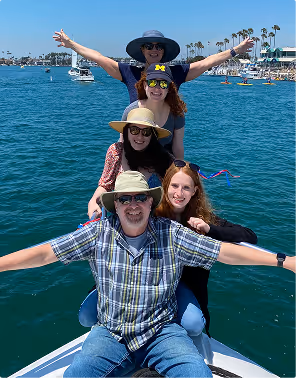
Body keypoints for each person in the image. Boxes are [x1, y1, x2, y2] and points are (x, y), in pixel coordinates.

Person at [1, 171, 295, 378]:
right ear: (114, 204)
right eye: (125, 199)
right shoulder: (96, 234)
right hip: (111, 332)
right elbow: (44, 253)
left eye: (140, 198)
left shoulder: (172, 234)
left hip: (162, 332)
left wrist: (283, 261)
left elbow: (224, 253)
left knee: (197, 373)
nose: (133, 205)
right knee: (76, 374)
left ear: (151, 202)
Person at [155, 160, 257, 336]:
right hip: (155, 284)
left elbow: (250, 236)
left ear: (195, 191)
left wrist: (210, 230)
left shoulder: (203, 219)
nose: (179, 193)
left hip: (187, 287)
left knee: (194, 324)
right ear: (166, 186)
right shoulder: (153, 214)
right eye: (174, 186)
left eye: (186, 188)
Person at [53, 29, 254, 103]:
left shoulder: (176, 73)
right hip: (137, 141)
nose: (154, 49)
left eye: (158, 46)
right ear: (142, 50)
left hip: (165, 146)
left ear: (164, 51)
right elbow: (98, 57)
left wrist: (236, 50)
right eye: (149, 46)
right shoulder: (130, 72)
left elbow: (207, 62)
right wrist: (71, 44)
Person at [87, 108, 173, 219]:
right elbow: (105, 185)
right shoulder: (116, 152)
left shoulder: (163, 158)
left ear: (152, 135)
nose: (140, 137)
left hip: (155, 221)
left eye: (146, 132)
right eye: (134, 130)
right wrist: (93, 201)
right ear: (126, 131)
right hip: (122, 221)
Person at [121, 63, 187, 158]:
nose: (157, 88)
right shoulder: (131, 111)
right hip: (134, 164)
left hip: (164, 165)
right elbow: (123, 145)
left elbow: (178, 147)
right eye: (152, 82)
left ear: (168, 88)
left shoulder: (176, 113)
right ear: (145, 85)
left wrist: (179, 169)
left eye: (163, 84)